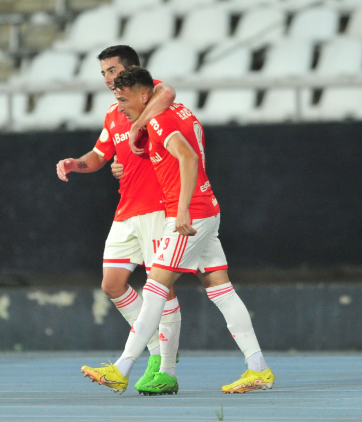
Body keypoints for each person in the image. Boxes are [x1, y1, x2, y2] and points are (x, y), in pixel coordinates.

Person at [89, 66, 275, 395]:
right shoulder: (177, 112)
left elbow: (187, 158)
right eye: (116, 99)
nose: (119, 105)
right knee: (221, 290)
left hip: (191, 214)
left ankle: (122, 368)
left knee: (155, 289)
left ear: (145, 95)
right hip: (207, 207)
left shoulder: (158, 120)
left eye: (125, 99)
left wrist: (183, 209)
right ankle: (258, 368)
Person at [55, 46, 181, 395]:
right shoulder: (114, 112)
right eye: (104, 73)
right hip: (127, 210)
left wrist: (140, 121)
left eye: (113, 70)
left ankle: (165, 368)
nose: (108, 79)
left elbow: (167, 91)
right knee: (112, 285)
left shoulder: (153, 98)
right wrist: (76, 164)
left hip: (158, 207)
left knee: (162, 286)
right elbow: (99, 154)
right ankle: (157, 349)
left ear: (133, 70)